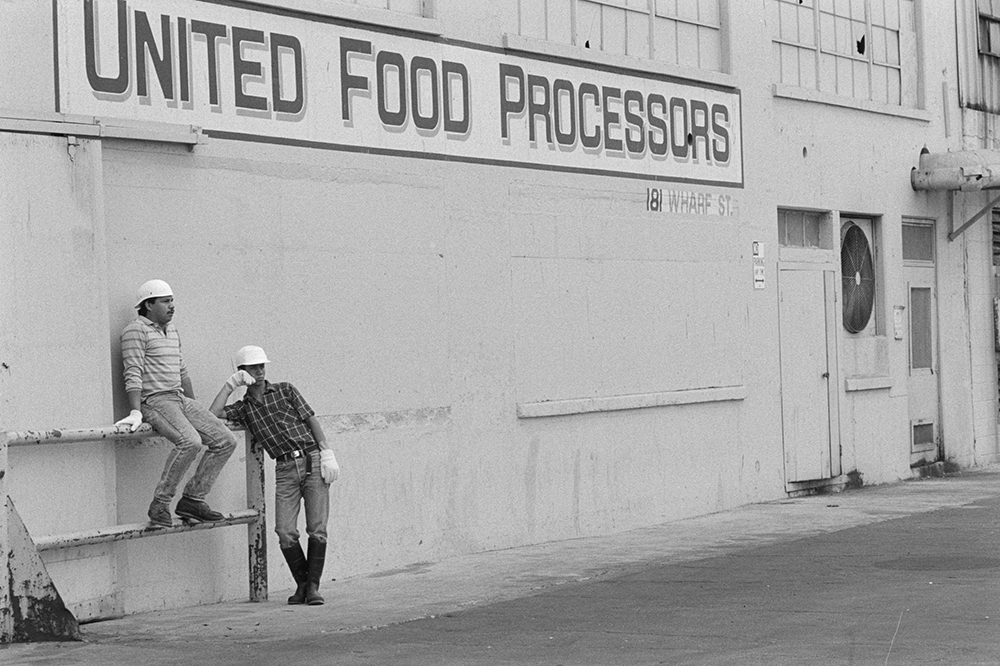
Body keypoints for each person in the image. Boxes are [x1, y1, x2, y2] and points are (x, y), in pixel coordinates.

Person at [210, 345, 340, 606]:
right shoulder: (244, 408)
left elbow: (310, 418)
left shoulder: (285, 390)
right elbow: (212, 415)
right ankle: (302, 584)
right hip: (284, 467)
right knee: (284, 530)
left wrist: (326, 451)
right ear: (241, 372)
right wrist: (229, 386)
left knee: (317, 527)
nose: (258, 371)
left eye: (261, 366)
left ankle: (311, 586)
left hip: (311, 458)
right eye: (251, 368)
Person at [114, 279, 238, 528]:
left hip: (178, 398)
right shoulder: (135, 331)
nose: (172, 306)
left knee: (226, 440)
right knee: (189, 441)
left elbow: (182, 371)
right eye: (165, 301)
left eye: (172, 300)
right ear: (148, 305)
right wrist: (136, 410)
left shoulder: (173, 331)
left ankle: (193, 499)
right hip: (156, 400)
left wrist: (194, 407)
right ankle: (160, 503)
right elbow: (133, 371)